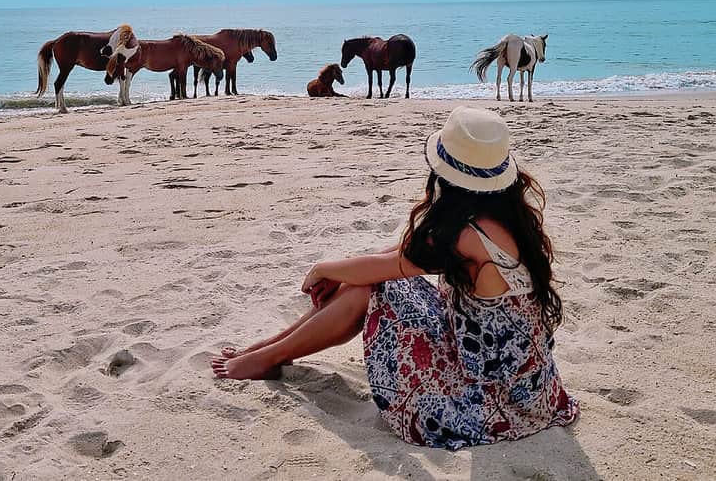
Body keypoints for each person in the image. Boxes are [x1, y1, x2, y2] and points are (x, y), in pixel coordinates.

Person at [212, 105, 579, 449]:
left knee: (369, 288)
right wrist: (341, 270)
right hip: (530, 386)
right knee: (369, 278)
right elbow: (397, 253)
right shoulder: (506, 216)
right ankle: (271, 349)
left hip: (487, 397)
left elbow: (388, 268)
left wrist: (323, 269)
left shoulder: (468, 237)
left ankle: (271, 355)